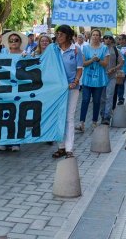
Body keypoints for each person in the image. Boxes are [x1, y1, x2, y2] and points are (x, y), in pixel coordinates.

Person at [52, 25, 83, 159]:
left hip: (71, 88)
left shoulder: (76, 50)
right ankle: (61, 147)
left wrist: (75, 82)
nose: (58, 37)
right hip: (58, 89)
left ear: (68, 36)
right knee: (59, 117)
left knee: (69, 118)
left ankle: (69, 149)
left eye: (61, 34)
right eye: (57, 34)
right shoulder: (54, 49)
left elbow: (79, 69)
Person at [0, 31, 28, 151]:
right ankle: (3, 141)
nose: (14, 42)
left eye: (16, 40)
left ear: (20, 42)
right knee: (4, 115)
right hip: (4, 88)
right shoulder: (3, 52)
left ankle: (16, 142)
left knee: (17, 115)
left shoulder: (25, 54)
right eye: (11, 40)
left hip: (19, 89)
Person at [76, 29, 109, 132]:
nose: (95, 37)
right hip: (87, 79)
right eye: (93, 35)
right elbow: (83, 63)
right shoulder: (85, 48)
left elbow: (105, 64)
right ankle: (81, 122)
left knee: (96, 101)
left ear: (100, 37)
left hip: (99, 79)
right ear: (91, 37)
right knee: (85, 100)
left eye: (97, 35)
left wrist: (98, 60)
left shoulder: (104, 48)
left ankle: (94, 121)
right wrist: (92, 60)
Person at [100, 31, 123, 125]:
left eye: (110, 38)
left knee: (109, 96)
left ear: (112, 40)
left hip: (112, 77)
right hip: (101, 77)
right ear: (103, 39)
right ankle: (102, 114)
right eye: (106, 38)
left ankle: (107, 116)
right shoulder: (99, 49)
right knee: (102, 98)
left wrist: (114, 69)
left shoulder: (116, 50)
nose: (108, 40)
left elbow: (121, 62)